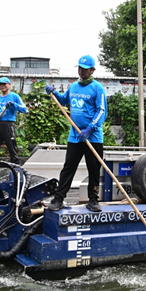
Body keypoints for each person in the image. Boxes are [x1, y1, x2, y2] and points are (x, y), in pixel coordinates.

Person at [45, 55, 107, 212]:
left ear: (92, 70)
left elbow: (101, 111)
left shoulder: (97, 88)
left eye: (85, 69)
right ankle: (58, 198)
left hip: (92, 137)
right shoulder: (73, 86)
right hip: (75, 136)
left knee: (93, 170)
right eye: (79, 68)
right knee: (68, 168)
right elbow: (65, 100)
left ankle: (93, 200)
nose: (81, 71)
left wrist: (90, 128)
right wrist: (54, 93)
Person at [0, 77, 27, 164]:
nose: (2, 86)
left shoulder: (14, 96)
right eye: (0, 84)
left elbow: (24, 109)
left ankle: (15, 168)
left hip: (8, 124)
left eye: (4, 84)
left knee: (12, 147)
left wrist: (13, 104)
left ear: (9, 85)